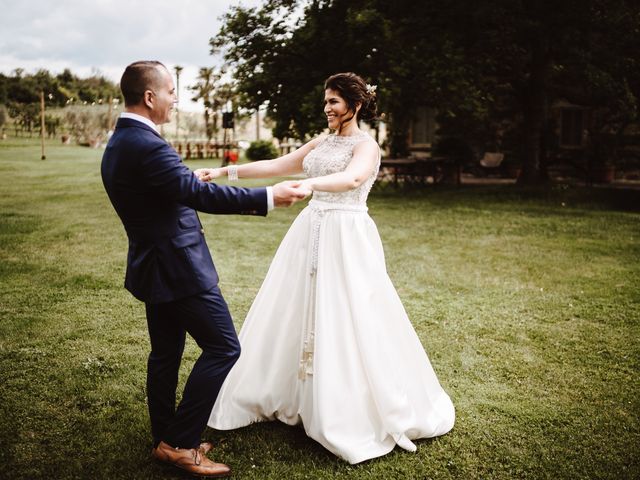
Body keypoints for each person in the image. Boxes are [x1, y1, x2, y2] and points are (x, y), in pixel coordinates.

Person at [197, 72, 455, 464]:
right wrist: (222, 173)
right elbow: (280, 165)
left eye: (334, 101)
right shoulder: (322, 141)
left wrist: (312, 186)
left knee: (346, 313)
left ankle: (342, 407)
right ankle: (292, 392)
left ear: (355, 104)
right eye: (325, 101)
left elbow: (352, 178)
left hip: (346, 235)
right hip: (310, 231)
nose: (327, 108)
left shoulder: (367, 146)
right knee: (294, 309)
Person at [100, 60, 309, 477]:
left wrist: (183, 180)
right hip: (179, 269)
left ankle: (167, 437)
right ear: (149, 97)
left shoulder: (123, 140)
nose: (176, 99)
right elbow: (197, 195)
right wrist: (268, 197)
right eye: (172, 91)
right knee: (224, 347)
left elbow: (170, 188)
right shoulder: (147, 144)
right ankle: (180, 444)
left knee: (166, 354)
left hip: (154, 265)